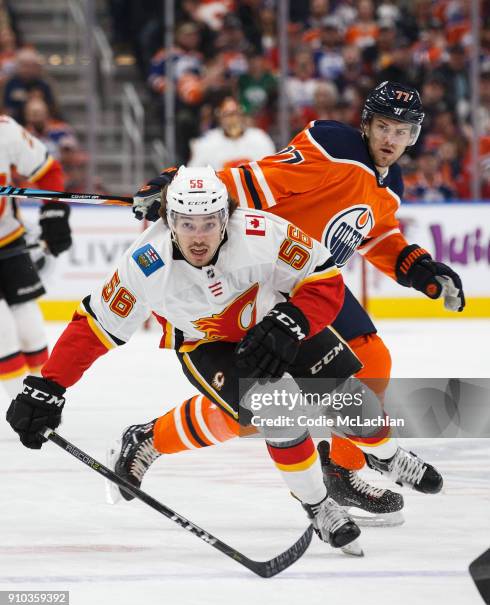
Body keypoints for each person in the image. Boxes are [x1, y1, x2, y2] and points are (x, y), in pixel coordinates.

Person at [7, 166, 442, 553]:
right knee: (280, 414)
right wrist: (46, 387)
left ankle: (387, 454)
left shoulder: (259, 231)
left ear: (226, 218)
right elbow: (93, 327)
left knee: (347, 396)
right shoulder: (145, 263)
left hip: (274, 322)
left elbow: (324, 278)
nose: (199, 236)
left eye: (209, 223)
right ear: (169, 222)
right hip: (207, 342)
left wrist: (292, 321)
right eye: (186, 224)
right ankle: (319, 506)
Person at [130, 81, 462, 515]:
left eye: (402, 132)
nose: (390, 140)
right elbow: (255, 180)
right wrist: (181, 185)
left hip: (316, 284)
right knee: (256, 408)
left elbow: (372, 230)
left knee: (372, 360)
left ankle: (341, 471)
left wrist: (417, 267)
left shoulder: (392, 180)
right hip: (265, 282)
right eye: (383, 127)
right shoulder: (333, 147)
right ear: (366, 124)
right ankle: (150, 439)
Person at [0, 114, 71, 399]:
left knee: (30, 326)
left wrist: (54, 214)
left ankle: (45, 400)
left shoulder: (5, 131)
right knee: (1, 330)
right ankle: (22, 408)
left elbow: (48, 171)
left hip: (9, 238)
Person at [187, 97, 275, 170]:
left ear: (242, 115)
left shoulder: (259, 138)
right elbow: (193, 171)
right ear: (220, 117)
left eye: (235, 114)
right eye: (227, 115)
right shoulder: (207, 142)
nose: (232, 119)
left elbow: (271, 169)